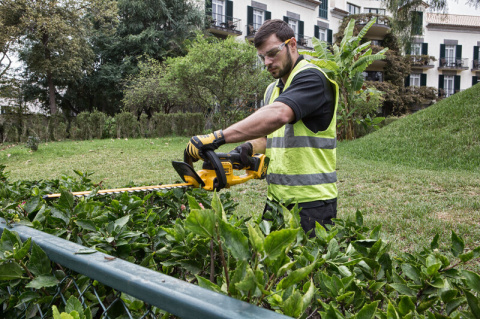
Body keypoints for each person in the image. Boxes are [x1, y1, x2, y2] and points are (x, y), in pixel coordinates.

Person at [185, 19, 339, 235]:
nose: (267, 62)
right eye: (262, 57)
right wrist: (249, 147)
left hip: (312, 202)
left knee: (309, 267)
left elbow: (279, 115)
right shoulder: (272, 90)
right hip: (276, 198)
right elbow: (273, 136)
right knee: (267, 265)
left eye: (272, 53)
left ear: (292, 45)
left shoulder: (312, 78)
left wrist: (217, 137)